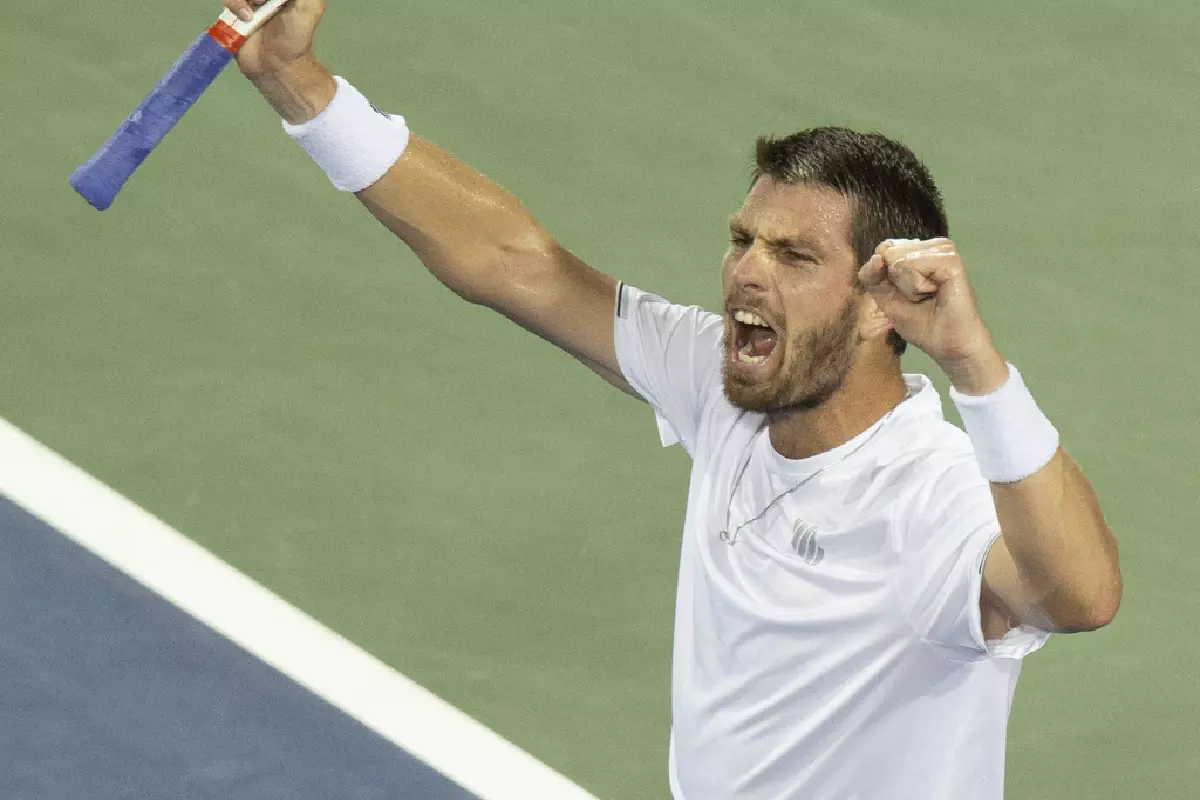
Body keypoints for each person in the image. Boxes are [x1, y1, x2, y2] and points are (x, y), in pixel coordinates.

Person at [221, 1, 1123, 797]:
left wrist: (975, 365)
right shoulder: (724, 383)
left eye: (794, 255)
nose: (746, 273)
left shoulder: (932, 496)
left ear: (880, 306)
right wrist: (298, 84)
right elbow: (514, 265)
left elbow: (1080, 597)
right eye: (743, 239)